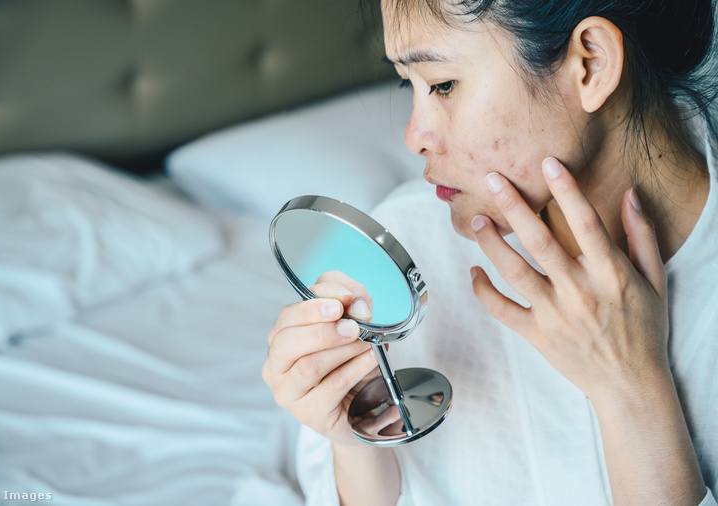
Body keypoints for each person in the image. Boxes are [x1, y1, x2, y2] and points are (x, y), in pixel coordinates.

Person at [262, 0, 718, 504]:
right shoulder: (397, 255)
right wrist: (354, 444)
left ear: (591, 64)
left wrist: (634, 393)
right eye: (405, 84)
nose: (413, 138)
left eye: (442, 84)